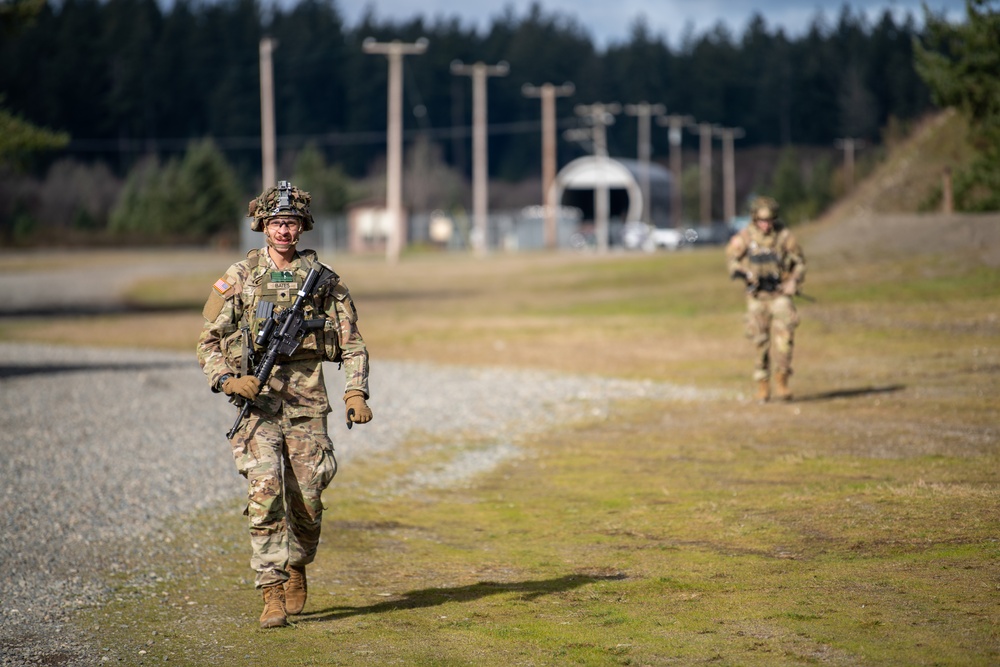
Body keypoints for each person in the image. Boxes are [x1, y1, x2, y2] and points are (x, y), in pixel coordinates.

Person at [196, 180, 372, 628]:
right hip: (258, 408)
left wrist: (356, 392)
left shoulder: (325, 283)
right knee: (265, 494)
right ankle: (271, 592)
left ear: (302, 227)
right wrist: (228, 380)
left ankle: (297, 565)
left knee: (308, 503)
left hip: (308, 407)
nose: (283, 231)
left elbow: (352, 345)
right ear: (262, 226)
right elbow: (208, 341)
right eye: (276, 222)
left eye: (291, 223)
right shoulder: (239, 276)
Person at [725, 196, 806, 402]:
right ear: (754, 219)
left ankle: (782, 381)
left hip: (779, 295)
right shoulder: (745, 237)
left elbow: (799, 263)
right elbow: (732, 260)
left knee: (785, 341)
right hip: (757, 297)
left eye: (769, 220)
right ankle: (763, 386)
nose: (766, 224)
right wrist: (743, 274)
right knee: (760, 342)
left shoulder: (784, 236)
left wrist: (793, 282)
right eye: (761, 220)